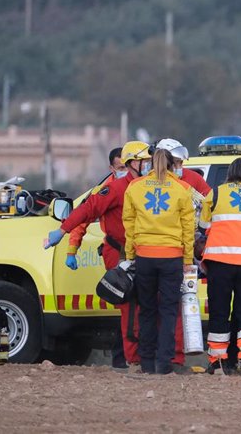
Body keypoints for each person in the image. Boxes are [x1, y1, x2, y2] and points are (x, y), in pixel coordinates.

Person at [45, 141, 183, 368]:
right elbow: (87, 209)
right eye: (145, 161)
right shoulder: (117, 189)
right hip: (119, 254)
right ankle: (135, 359)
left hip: (148, 253)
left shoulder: (152, 185)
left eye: (151, 160)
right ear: (132, 164)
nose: (150, 165)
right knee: (130, 307)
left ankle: (166, 359)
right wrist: (63, 231)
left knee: (161, 306)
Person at [123, 148, 195, 374]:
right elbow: (188, 229)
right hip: (172, 258)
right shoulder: (183, 189)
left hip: (145, 256)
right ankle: (164, 363)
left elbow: (129, 224)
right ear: (174, 164)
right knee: (169, 311)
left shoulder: (135, 187)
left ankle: (146, 363)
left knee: (146, 310)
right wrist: (187, 258)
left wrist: (130, 254)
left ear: (150, 163)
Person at [200, 157, 241, 377]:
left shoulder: (215, 193)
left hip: (220, 262)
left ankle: (219, 363)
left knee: (219, 312)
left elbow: (204, 226)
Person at [64, 147, 128, 368]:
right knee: (125, 303)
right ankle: (122, 359)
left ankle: (137, 356)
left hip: (141, 250)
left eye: (128, 166)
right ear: (111, 168)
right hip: (115, 251)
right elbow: (83, 217)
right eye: (121, 167)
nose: (125, 171)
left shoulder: (140, 185)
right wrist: (72, 250)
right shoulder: (106, 190)